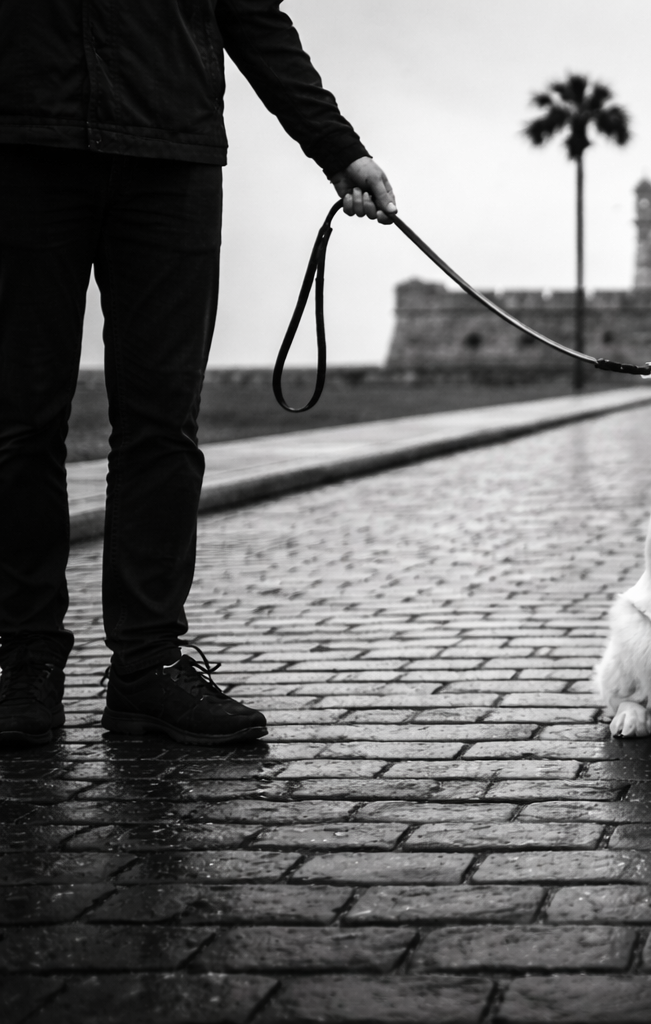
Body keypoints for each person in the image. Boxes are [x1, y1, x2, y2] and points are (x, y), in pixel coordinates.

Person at [0, 1, 396, 746]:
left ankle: (147, 667)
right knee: (20, 421)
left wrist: (338, 149)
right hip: (23, 141)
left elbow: (249, 11)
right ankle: (23, 659)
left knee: (162, 428)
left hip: (170, 154)